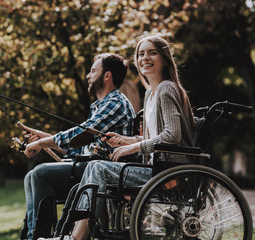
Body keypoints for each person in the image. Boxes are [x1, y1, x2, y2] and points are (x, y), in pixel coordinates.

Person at [39, 35, 195, 240]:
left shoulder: (167, 88)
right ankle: (69, 232)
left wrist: (132, 148)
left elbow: (172, 136)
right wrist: (124, 140)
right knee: (95, 167)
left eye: (152, 52)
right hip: (155, 168)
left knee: (98, 168)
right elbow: (154, 138)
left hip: (168, 172)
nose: (145, 58)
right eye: (141, 54)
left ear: (165, 59)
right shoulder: (150, 94)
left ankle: (76, 237)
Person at [21, 53, 137, 240]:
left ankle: (38, 236)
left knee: (40, 174)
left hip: (103, 172)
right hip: (89, 166)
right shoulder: (100, 106)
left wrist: (42, 142)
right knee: (30, 177)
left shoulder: (115, 103)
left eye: (93, 71)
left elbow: (79, 135)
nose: (88, 76)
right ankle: (32, 235)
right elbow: (79, 148)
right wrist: (45, 139)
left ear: (107, 75)